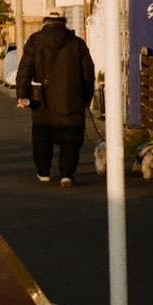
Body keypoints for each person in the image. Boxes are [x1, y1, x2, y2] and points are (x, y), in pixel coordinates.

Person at [15, 10, 96, 186]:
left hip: (43, 102)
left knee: (42, 138)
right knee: (71, 139)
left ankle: (43, 172)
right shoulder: (77, 43)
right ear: (63, 22)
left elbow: (24, 70)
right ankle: (67, 174)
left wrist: (22, 95)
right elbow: (88, 74)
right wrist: (86, 97)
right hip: (71, 101)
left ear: (45, 22)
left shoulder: (35, 41)